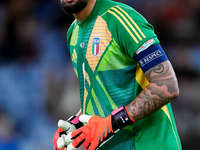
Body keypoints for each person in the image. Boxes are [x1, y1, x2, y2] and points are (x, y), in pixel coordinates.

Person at [53, 0, 182, 150]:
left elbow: (166, 86)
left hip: (148, 144)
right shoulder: (73, 33)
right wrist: (77, 124)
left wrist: (112, 122)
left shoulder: (120, 19)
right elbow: (99, 94)